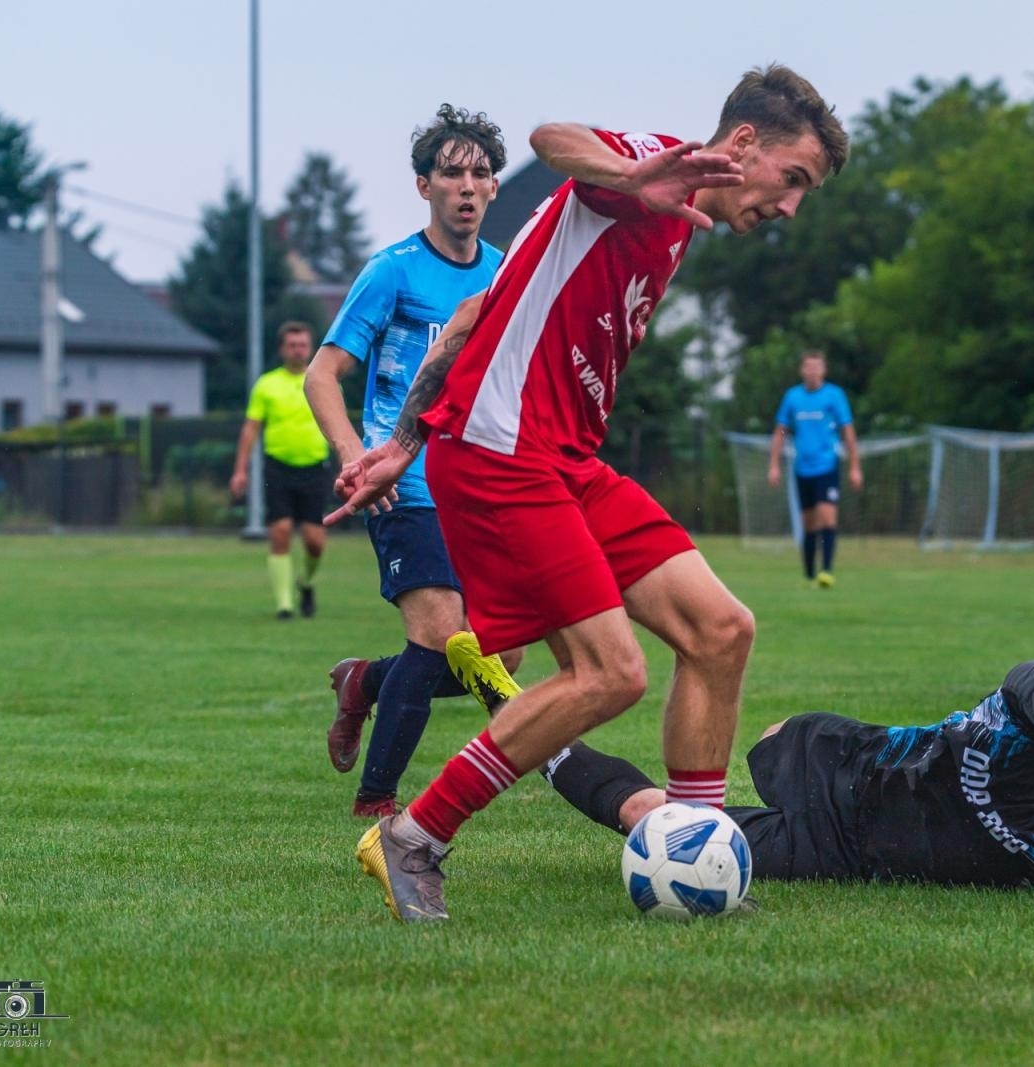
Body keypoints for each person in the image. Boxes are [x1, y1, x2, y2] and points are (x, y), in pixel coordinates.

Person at [332, 64, 850, 922]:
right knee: (610, 672)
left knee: (721, 629)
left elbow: (470, 321)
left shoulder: (673, 222)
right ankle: (414, 836)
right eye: (793, 180)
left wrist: (400, 442)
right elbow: (550, 141)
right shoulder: (655, 174)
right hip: (504, 454)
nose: (791, 207)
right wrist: (637, 174)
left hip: (561, 460)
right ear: (745, 145)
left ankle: (699, 854)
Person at [543, 652, 1034, 917]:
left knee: (659, 824)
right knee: (767, 741)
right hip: (848, 759)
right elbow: (1032, 676)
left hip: (837, 850)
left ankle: (532, 731)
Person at [303, 105, 524, 818]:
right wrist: (357, 457)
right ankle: (378, 803)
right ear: (423, 185)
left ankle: (364, 683)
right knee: (436, 633)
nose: (467, 185)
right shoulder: (391, 272)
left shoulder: (505, 275)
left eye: (481, 173)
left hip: (478, 487)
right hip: (404, 485)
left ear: (494, 189)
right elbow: (321, 374)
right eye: (452, 172)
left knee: (502, 657)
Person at [230, 322, 330, 620]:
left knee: (314, 540)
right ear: (282, 348)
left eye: (302, 344)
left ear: (310, 347)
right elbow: (250, 429)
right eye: (292, 344)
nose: (297, 349)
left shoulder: (323, 380)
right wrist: (240, 470)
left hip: (315, 467)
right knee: (281, 532)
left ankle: (306, 583)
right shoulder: (266, 384)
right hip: (278, 468)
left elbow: (334, 423)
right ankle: (284, 605)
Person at [767, 350, 862, 587]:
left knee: (827, 518)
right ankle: (809, 574)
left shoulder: (834, 396)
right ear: (802, 370)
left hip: (827, 466)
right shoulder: (793, 397)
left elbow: (847, 431)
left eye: (817, 367)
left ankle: (826, 571)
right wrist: (774, 465)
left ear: (823, 370)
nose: (812, 371)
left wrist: (854, 466)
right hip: (803, 469)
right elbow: (781, 431)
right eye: (808, 367)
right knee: (809, 523)